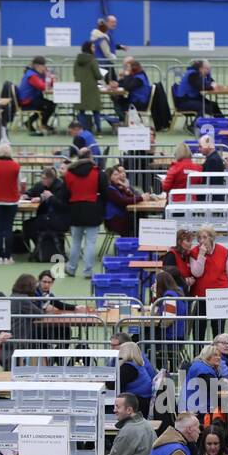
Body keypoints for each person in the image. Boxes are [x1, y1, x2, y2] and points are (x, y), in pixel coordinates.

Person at [61, 149, 103, 279]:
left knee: (75, 242)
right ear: (90, 157)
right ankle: (88, 271)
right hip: (93, 209)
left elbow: (64, 194)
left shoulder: (69, 174)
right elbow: (105, 191)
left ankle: (71, 268)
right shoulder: (97, 173)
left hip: (75, 209)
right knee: (90, 243)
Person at [188, 226, 228, 340]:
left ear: (212, 238)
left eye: (205, 237)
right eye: (199, 238)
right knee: (199, 330)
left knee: (218, 330)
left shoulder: (223, 251)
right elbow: (196, 273)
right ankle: (198, 356)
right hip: (201, 297)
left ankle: (219, 355)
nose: (202, 240)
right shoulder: (194, 252)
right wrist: (201, 255)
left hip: (219, 296)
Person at [15, 56, 55, 133]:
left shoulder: (37, 73)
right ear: (37, 66)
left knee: (49, 105)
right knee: (49, 106)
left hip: (33, 99)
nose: (45, 68)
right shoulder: (32, 75)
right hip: (26, 101)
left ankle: (30, 122)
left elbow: (49, 84)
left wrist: (50, 77)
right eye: (43, 66)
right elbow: (42, 86)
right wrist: (48, 77)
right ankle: (43, 125)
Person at [103, 164, 144, 237]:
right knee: (137, 219)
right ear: (109, 177)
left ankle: (137, 239)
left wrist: (125, 188)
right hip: (114, 220)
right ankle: (134, 240)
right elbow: (123, 201)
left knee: (139, 217)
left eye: (118, 174)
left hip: (119, 217)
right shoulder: (110, 189)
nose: (118, 176)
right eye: (115, 175)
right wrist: (141, 198)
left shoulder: (117, 187)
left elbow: (130, 196)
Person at [73, 43, 104, 134]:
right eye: (93, 47)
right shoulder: (92, 59)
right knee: (96, 110)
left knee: (81, 110)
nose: (94, 48)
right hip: (92, 88)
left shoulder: (77, 60)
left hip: (80, 87)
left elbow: (74, 72)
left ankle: (81, 130)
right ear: (89, 48)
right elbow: (97, 75)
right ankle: (98, 130)